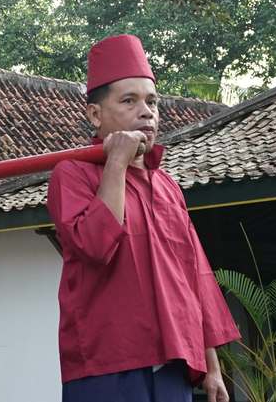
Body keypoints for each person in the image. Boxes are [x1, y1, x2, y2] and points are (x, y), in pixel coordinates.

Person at [48, 34, 239, 402]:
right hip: (106, 363)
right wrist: (117, 162)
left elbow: (194, 275)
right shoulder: (72, 174)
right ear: (95, 114)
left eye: (152, 101)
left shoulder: (167, 186)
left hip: (173, 362)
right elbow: (94, 245)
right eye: (129, 100)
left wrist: (212, 365)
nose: (146, 111)